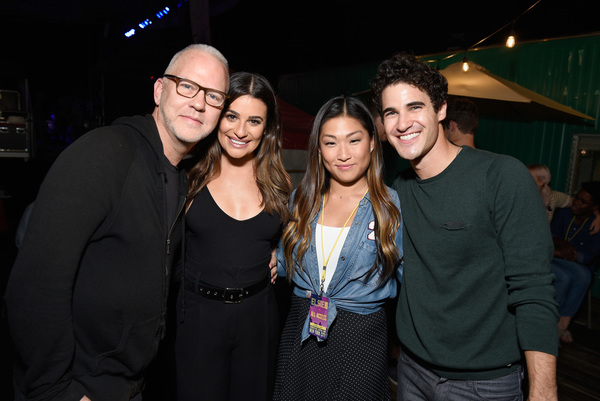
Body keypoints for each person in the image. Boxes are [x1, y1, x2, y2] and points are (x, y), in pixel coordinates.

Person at [4, 43, 229, 401]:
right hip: (74, 387)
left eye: (214, 96)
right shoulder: (105, 153)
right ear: (160, 90)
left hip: (127, 384)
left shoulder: (179, 178)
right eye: (187, 85)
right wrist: (55, 389)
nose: (199, 102)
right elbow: (35, 284)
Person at [370, 52, 559, 401]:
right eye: (391, 112)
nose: (402, 123)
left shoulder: (501, 176)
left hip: (485, 385)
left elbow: (533, 288)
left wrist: (543, 390)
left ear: (441, 110)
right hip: (411, 373)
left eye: (415, 107)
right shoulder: (399, 188)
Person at [273, 96, 403, 401]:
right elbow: (281, 260)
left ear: (372, 142)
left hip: (362, 336)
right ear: (318, 149)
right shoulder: (300, 201)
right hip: (301, 328)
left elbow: (411, 279)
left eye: (354, 140)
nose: (343, 154)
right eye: (331, 143)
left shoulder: (390, 207)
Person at [175, 72, 292, 400]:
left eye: (254, 121)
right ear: (217, 116)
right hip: (199, 316)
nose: (241, 131)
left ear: (267, 128)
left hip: (259, 317)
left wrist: (278, 255)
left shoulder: (278, 184)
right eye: (232, 116)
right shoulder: (188, 177)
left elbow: (293, 235)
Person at [550, 181, 600, 344]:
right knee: (565, 277)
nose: (577, 203)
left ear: (594, 207)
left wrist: (566, 252)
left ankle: (562, 325)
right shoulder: (564, 213)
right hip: (554, 256)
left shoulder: (595, 223)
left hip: (572, 261)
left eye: (583, 201)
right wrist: (561, 244)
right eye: (577, 198)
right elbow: (551, 235)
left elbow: (589, 256)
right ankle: (550, 324)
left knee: (584, 275)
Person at [527, 163, 600, 232]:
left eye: (529, 178)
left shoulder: (553, 197)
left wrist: (597, 215)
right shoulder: (518, 197)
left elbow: (578, 204)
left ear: (542, 182)